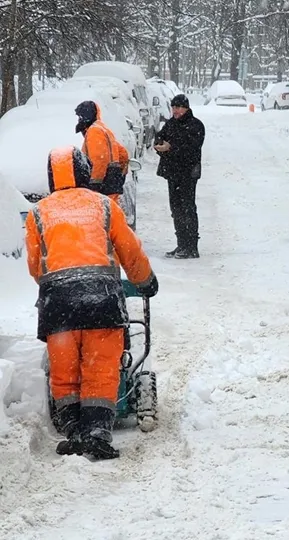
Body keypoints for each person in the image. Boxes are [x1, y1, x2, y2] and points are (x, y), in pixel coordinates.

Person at [24, 146, 159, 460]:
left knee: (65, 370)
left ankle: (72, 430)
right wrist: (145, 281)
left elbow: (35, 265)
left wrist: (58, 281)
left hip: (57, 303)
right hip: (103, 299)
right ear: (85, 171)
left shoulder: (37, 213)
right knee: (101, 368)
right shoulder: (104, 206)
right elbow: (129, 250)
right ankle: (97, 434)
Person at [155, 94, 205, 259]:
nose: (175, 110)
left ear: (186, 108)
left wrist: (171, 147)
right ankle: (181, 244)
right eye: (173, 107)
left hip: (188, 173)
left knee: (188, 207)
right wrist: (160, 144)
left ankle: (192, 246)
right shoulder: (171, 124)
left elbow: (191, 148)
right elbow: (160, 137)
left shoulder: (196, 125)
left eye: (178, 107)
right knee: (175, 208)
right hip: (173, 173)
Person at [75, 101, 129, 204]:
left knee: (103, 216)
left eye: (80, 117)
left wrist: (94, 184)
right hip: (111, 183)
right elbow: (122, 153)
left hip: (103, 187)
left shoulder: (94, 131)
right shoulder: (102, 128)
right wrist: (119, 174)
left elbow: (99, 159)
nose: (78, 120)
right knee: (111, 214)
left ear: (86, 116)